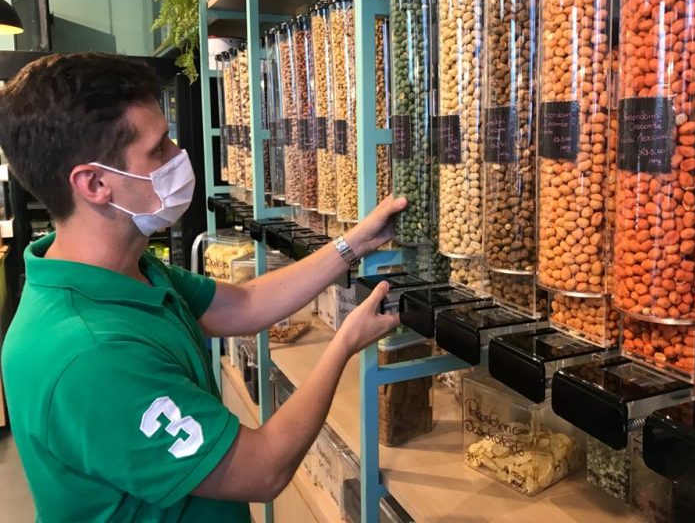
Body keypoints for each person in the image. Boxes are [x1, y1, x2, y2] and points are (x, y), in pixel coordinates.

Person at [0, 52, 404, 521]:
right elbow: (263, 468)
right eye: (160, 148)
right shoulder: (89, 354)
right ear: (94, 184)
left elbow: (247, 303)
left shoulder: (119, 270)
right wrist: (344, 343)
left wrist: (353, 243)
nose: (180, 156)